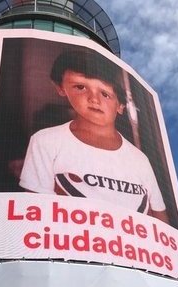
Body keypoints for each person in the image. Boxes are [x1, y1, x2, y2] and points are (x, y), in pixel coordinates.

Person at [19, 48, 169, 224]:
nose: (94, 99)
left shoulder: (140, 159)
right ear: (61, 88)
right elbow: (35, 213)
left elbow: (159, 215)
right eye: (80, 87)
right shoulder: (45, 141)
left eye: (105, 94)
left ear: (121, 105)